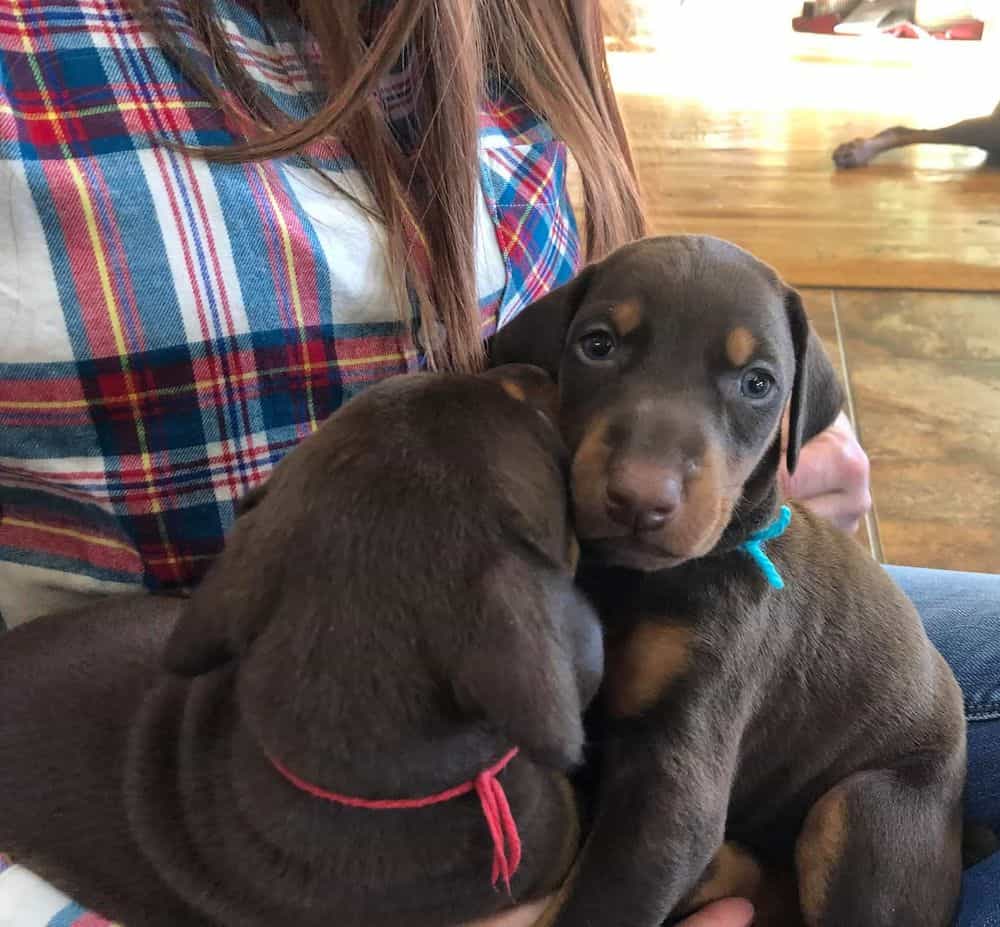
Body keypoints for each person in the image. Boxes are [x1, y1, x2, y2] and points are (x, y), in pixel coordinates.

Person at [0, 1, 995, 925]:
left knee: (895, 761)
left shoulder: (505, 26)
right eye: (600, 349)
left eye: (753, 391)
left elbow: (671, 795)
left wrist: (751, 481)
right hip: (302, 697)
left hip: (776, 711)